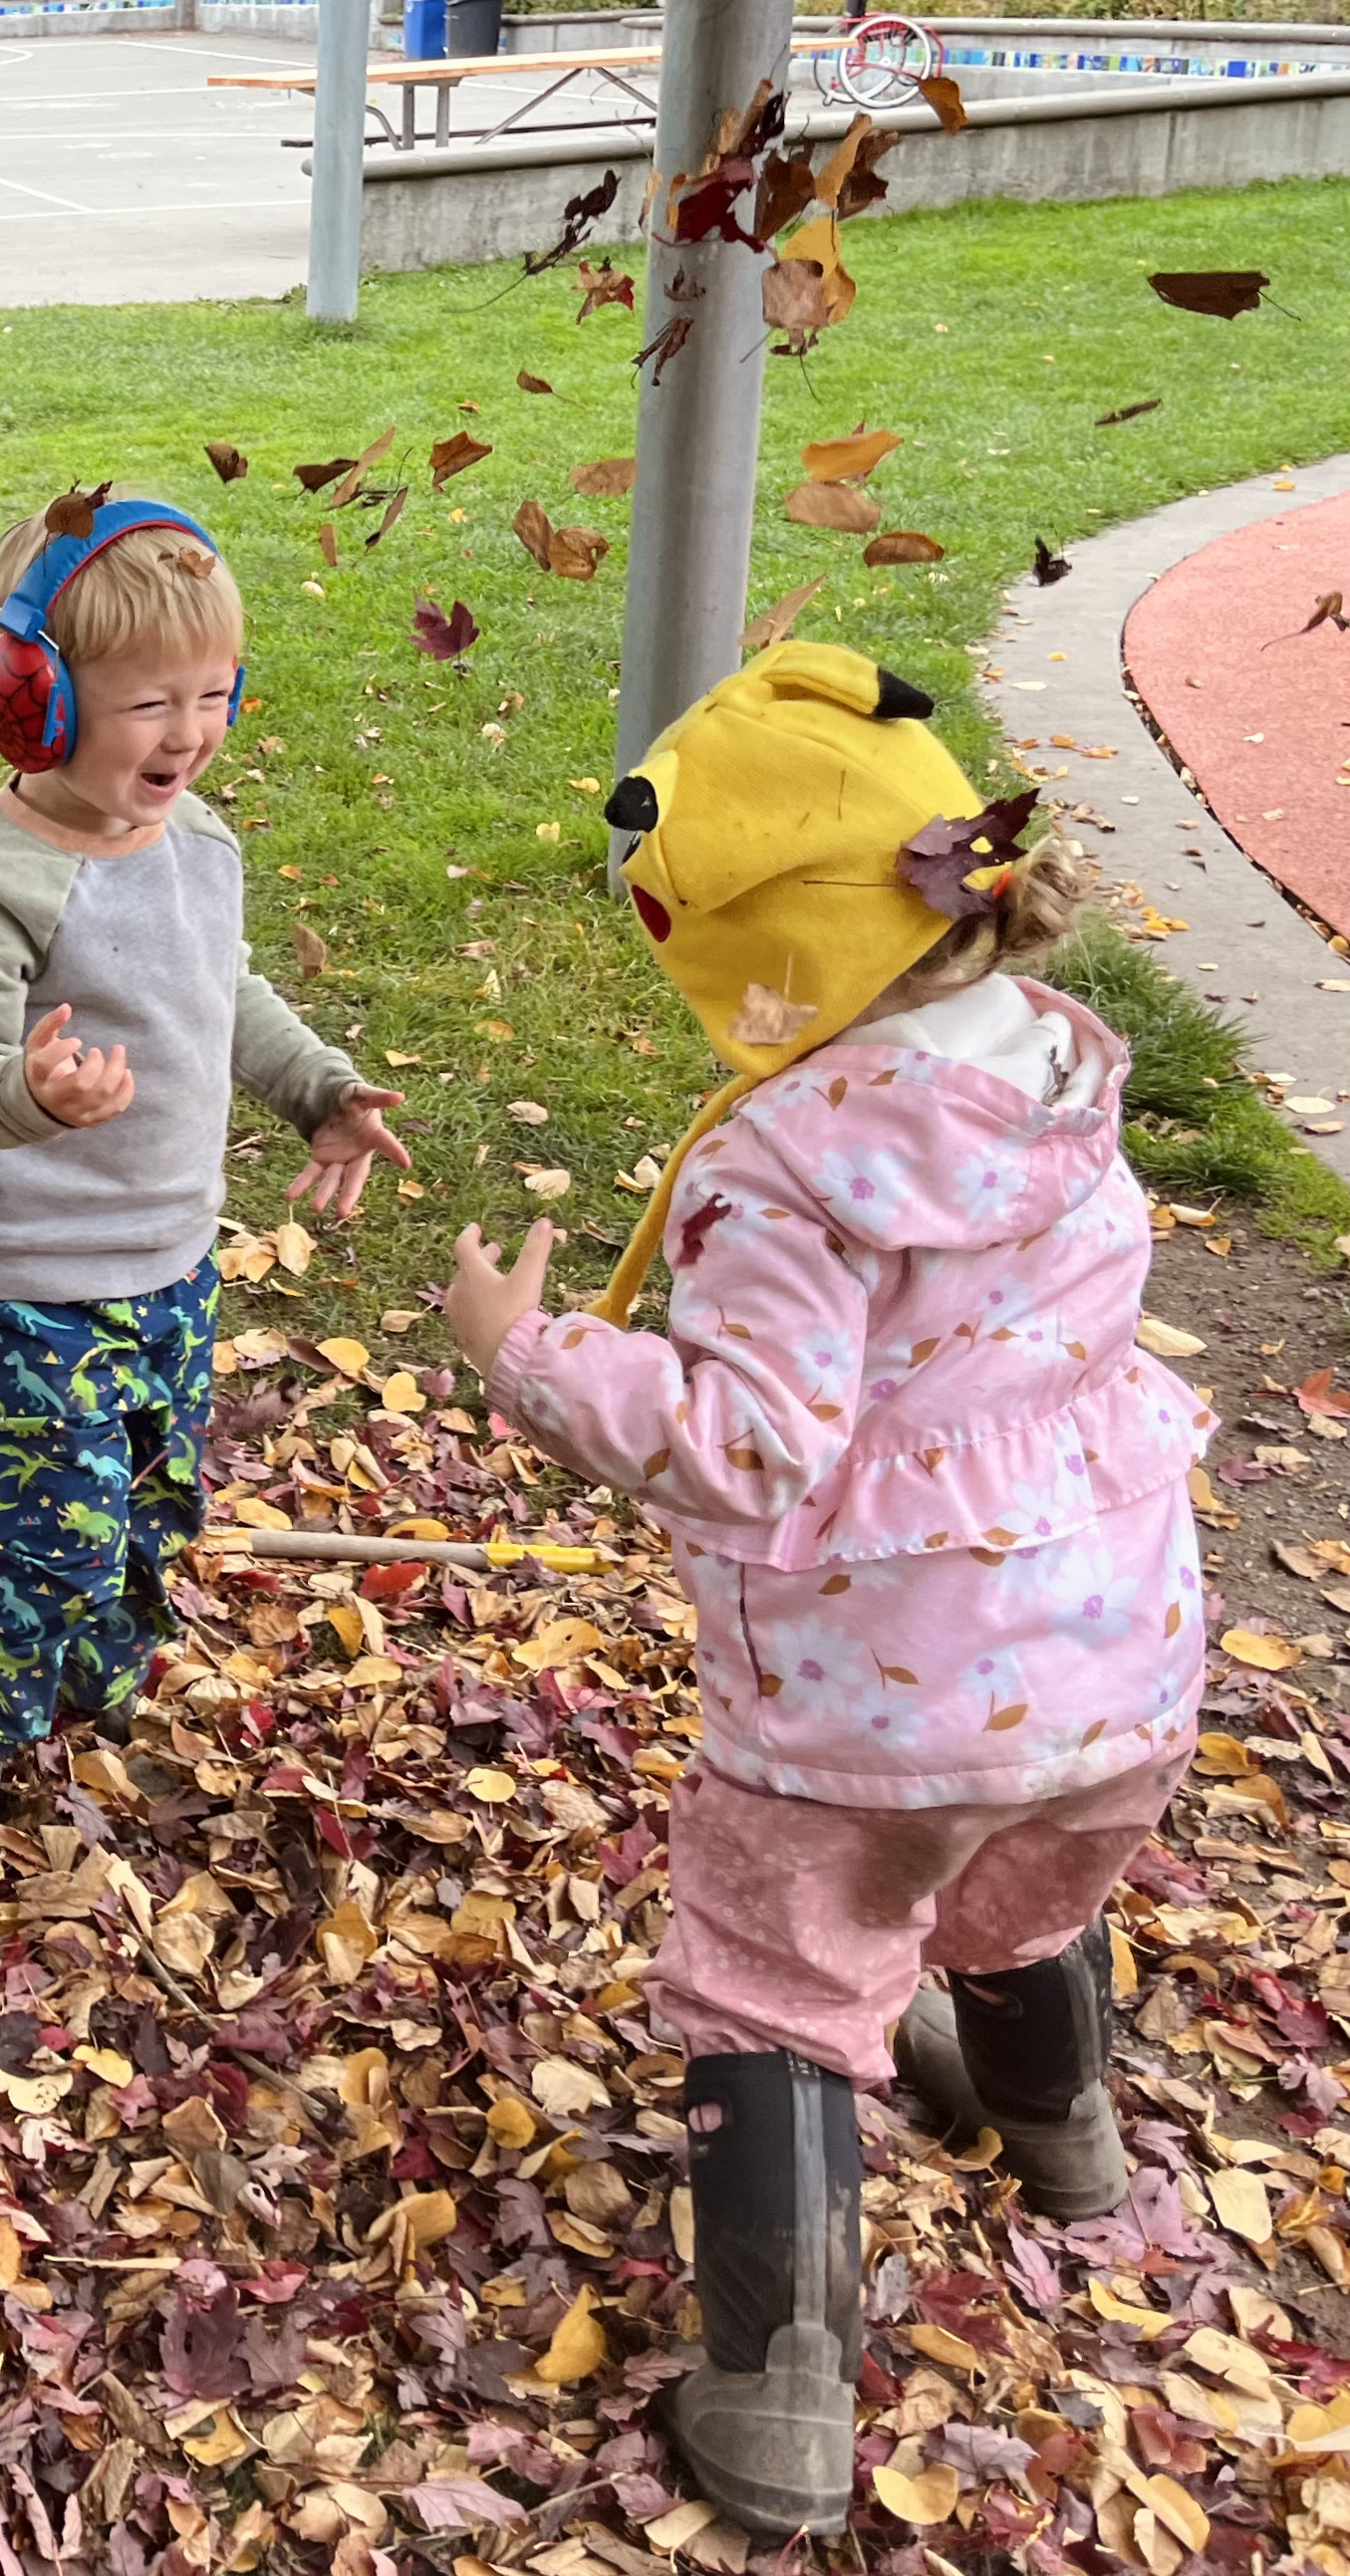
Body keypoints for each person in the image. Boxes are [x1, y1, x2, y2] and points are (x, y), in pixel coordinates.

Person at [443, 640, 1209, 2539]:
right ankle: (1072, 2149)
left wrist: (532, 1352)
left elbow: (752, 1442)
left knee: (776, 1983)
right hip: (1109, 1652)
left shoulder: (791, 1162)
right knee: (1026, 1873)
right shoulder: (1055, 1063)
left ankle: (780, 2398)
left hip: (881, 1690)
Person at [0, 489, 407, 1898]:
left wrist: (318, 1085)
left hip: (175, 1263)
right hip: (33, 1284)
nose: (188, 732)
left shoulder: (202, 845)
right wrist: (28, 1097)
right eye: (146, 706)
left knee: (155, 1507)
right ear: (34, 703)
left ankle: (85, 1670)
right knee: (56, 1524)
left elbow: (219, 990)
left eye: (212, 693)